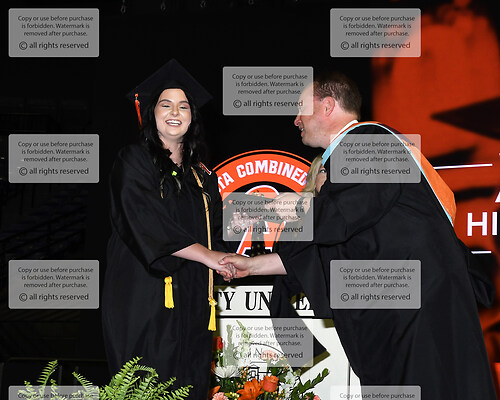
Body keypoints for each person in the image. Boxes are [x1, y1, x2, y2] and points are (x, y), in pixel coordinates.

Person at [220, 71, 497, 399]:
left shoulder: (371, 140)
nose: (295, 120)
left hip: (417, 310)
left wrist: (290, 207)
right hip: (400, 312)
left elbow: (342, 215)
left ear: (327, 106)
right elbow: (322, 248)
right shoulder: (346, 163)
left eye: (300, 108)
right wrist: (252, 266)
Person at [102, 60, 231, 400]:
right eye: (166, 104)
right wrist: (210, 257)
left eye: (183, 106)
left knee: (190, 385)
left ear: (192, 116)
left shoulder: (203, 178)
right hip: (144, 296)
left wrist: (228, 262)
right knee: (145, 384)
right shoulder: (134, 161)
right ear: (151, 113)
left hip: (195, 300)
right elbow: (145, 223)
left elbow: (216, 235)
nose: (175, 112)